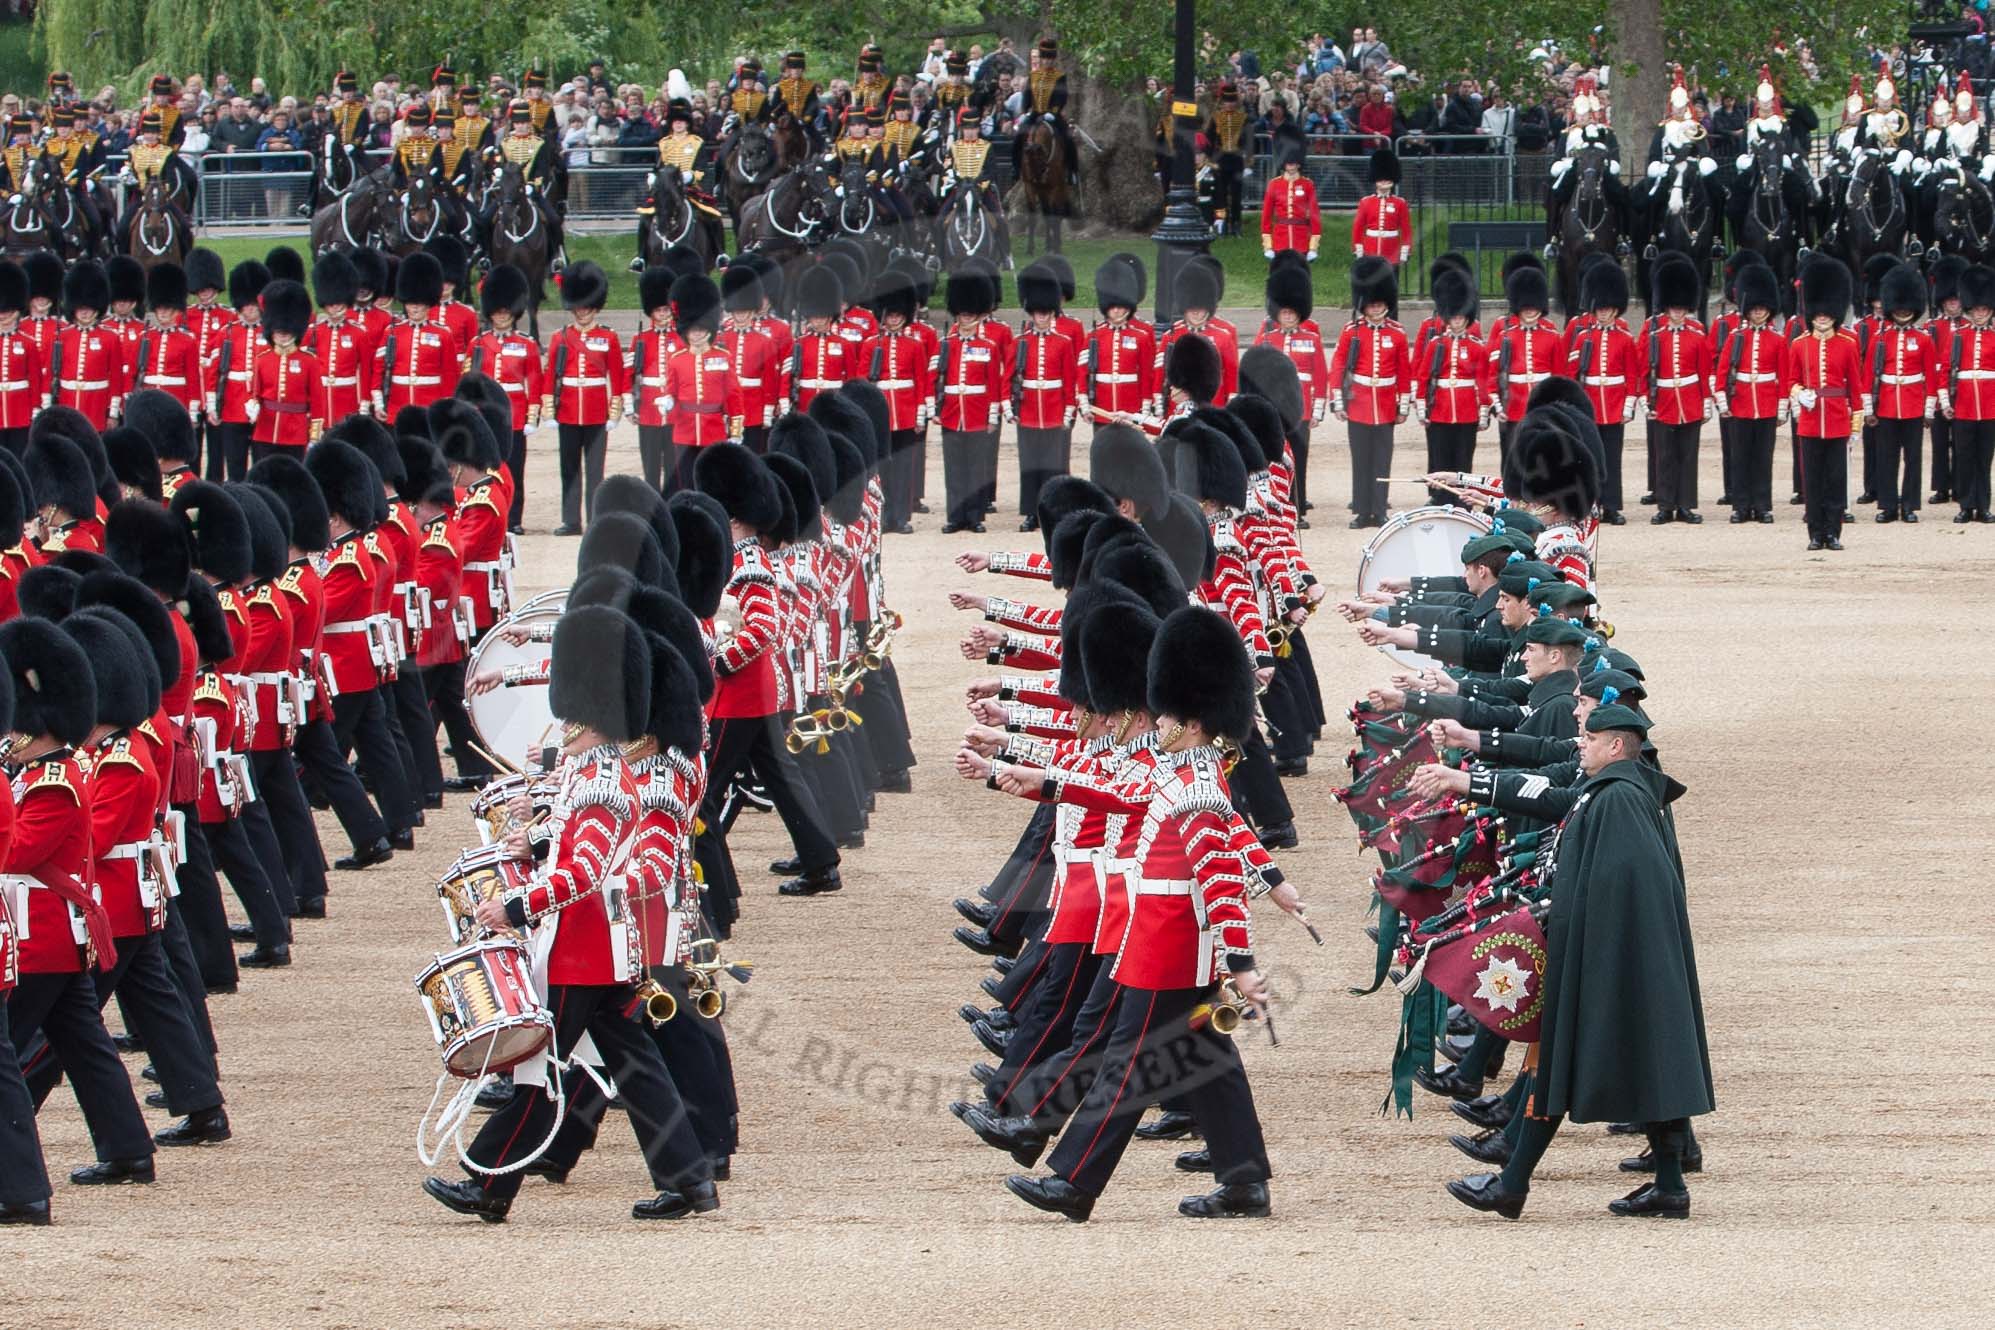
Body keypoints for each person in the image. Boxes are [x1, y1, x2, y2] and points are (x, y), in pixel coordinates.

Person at [424, 605, 719, 1224]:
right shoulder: (605, 772)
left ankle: (487, 1181)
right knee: (636, 1064)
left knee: (542, 1065)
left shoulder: (600, 784)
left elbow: (583, 875)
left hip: (582, 949)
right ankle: (690, 1179)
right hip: (600, 947)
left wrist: (513, 905)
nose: (565, 727)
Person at [1448, 702, 1711, 1221]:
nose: (1580, 745)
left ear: (1615, 746)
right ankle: (1669, 1186)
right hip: (1622, 955)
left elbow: (1614, 882)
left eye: (1589, 739)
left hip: (1606, 955)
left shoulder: (1618, 800)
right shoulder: (1620, 795)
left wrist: (1564, 928)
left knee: (1555, 1065)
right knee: (1650, 1063)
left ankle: (1512, 1184)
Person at [694, 443, 843, 897]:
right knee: (782, 780)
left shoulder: (748, 563)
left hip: (738, 695)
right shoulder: (741, 556)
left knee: (701, 792)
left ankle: (715, 887)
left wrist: (716, 662)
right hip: (753, 695)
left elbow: (763, 630)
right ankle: (821, 861)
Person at [542, 262, 623, 535]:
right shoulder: (560, 338)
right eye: (578, 306)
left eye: (587, 306)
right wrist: (549, 410)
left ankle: (595, 518)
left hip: (596, 411)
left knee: (595, 472)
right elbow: (549, 375)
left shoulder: (608, 337)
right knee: (569, 470)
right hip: (567, 410)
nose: (583, 311)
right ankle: (571, 520)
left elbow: (618, 376)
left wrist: (615, 411)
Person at [1789, 257, 1865, 550]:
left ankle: (1833, 532)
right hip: (1809, 421)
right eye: (1817, 313)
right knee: (1812, 481)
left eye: (1826, 313)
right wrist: (1799, 392)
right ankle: (1814, 532)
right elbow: (1789, 380)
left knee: (1836, 480)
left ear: (1834, 313)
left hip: (1836, 420)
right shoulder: (1799, 344)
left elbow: (1855, 388)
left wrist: (1855, 425)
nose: (1821, 317)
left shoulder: (1847, 344)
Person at [1329, 256, 1408, 527]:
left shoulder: (1396, 333)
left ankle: (1379, 508)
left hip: (1385, 404)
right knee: (1361, 461)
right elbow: (1338, 365)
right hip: (1359, 404)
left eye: (1379, 304)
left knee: (1382, 461)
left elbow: (1404, 372)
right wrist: (1338, 401)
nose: (1375, 309)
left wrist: (1403, 406)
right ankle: (1363, 511)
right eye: (1371, 305)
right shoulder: (1352, 332)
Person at [1640, 258, 1711, 524]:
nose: (1678, 313)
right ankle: (1665, 505)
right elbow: (1645, 371)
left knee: (1687, 456)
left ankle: (1685, 506)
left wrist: (1706, 402)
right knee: (1665, 456)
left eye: (1682, 308)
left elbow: (1704, 372)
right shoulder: (1655, 337)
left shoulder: (1697, 336)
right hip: (1665, 402)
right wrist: (1647, 400)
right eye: (1674, 308)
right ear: (1667, 309)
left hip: (1690, 402)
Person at [936, 268, 1007, 534]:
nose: (966, 319)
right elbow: (937, 378)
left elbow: (994, 384)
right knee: (954, 467)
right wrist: (935, 409)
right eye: (962, 314)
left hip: (977, 412)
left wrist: (992, 415)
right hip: (953, 411)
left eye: (971, 315)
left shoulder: (988, 346)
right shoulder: (946, 343)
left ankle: (975, 516)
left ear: (979, 315)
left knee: (977, 468)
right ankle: (956, 516)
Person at [1568, 261, 1640, 524]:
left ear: (1615, 310)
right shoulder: (1582, 338)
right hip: (1589, 408)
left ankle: (1611, 505)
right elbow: (1572, 376)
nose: (1603, 313)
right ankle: (1590, 504)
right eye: (1599, 309)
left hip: (1614, 405)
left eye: (1607, 309)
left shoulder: (1624, 339)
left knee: (1611, 459)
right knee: (1588, 460)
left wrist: (1628, 405)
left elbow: (1632, 375)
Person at [1009, 266, 1080, 530]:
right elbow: (1010, 375)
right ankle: (1032, 512)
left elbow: (1069, 379)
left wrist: (1067, 411)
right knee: (1031, 466)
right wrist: (1009, 406)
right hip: (1028, 412)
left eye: (1046, 313)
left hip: (1053, 412)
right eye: (1038, 313)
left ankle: (1056, 512)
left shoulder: (1063, 342)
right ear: (1032, 313)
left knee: (1054, 467)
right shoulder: (1020, 342)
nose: (1041, 317)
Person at [1870, 262, 1936, 524]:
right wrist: (1868, 407)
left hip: (1912, 405)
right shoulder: (1880, 338)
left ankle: (1909, 504)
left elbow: (1930, 375)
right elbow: (1868, 376)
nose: (1902, 310)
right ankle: (1887, 505)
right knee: (1886, 458)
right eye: (1898, 306)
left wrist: (1929, 408)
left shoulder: (1923, 339)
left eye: (1906, 306)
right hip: (1886, 404)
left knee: (1913, 458)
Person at [1205, 82, 1251, 237]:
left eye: (1232, 101)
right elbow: (1209, 139)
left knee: (1237, 194)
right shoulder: (1215, 118)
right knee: (1221, 194)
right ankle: (1222, 224)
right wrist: (1210, 158)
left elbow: (1248, 139)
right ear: (1222, 102)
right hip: (1220, 160)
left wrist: (1247, 156)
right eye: (1226, 102)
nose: (1229, 105)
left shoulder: (1243, 118)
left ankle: (1236, 224)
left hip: (1237, 160)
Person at [1260, 142, 1320, 262]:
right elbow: (1266, 215)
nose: (1291, 165)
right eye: (1288, 162)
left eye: (1294, 162)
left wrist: (1313, 247)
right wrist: (1268, 246)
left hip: (1301, 240)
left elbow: (1314, 215)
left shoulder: (1307, 184)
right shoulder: (1274, 184)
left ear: (1299, 164)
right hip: (1280, 239)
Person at [1352, 148, 1409, 268]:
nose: (1384, 180)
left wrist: (1404, 252)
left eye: (1387, 177)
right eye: (1380, 177)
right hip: (1370, 251)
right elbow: (1358, 228)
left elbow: (1406, 230)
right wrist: (1358, 250)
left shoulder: (1400, 203)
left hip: (1392, 253)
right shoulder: (1366, 202)